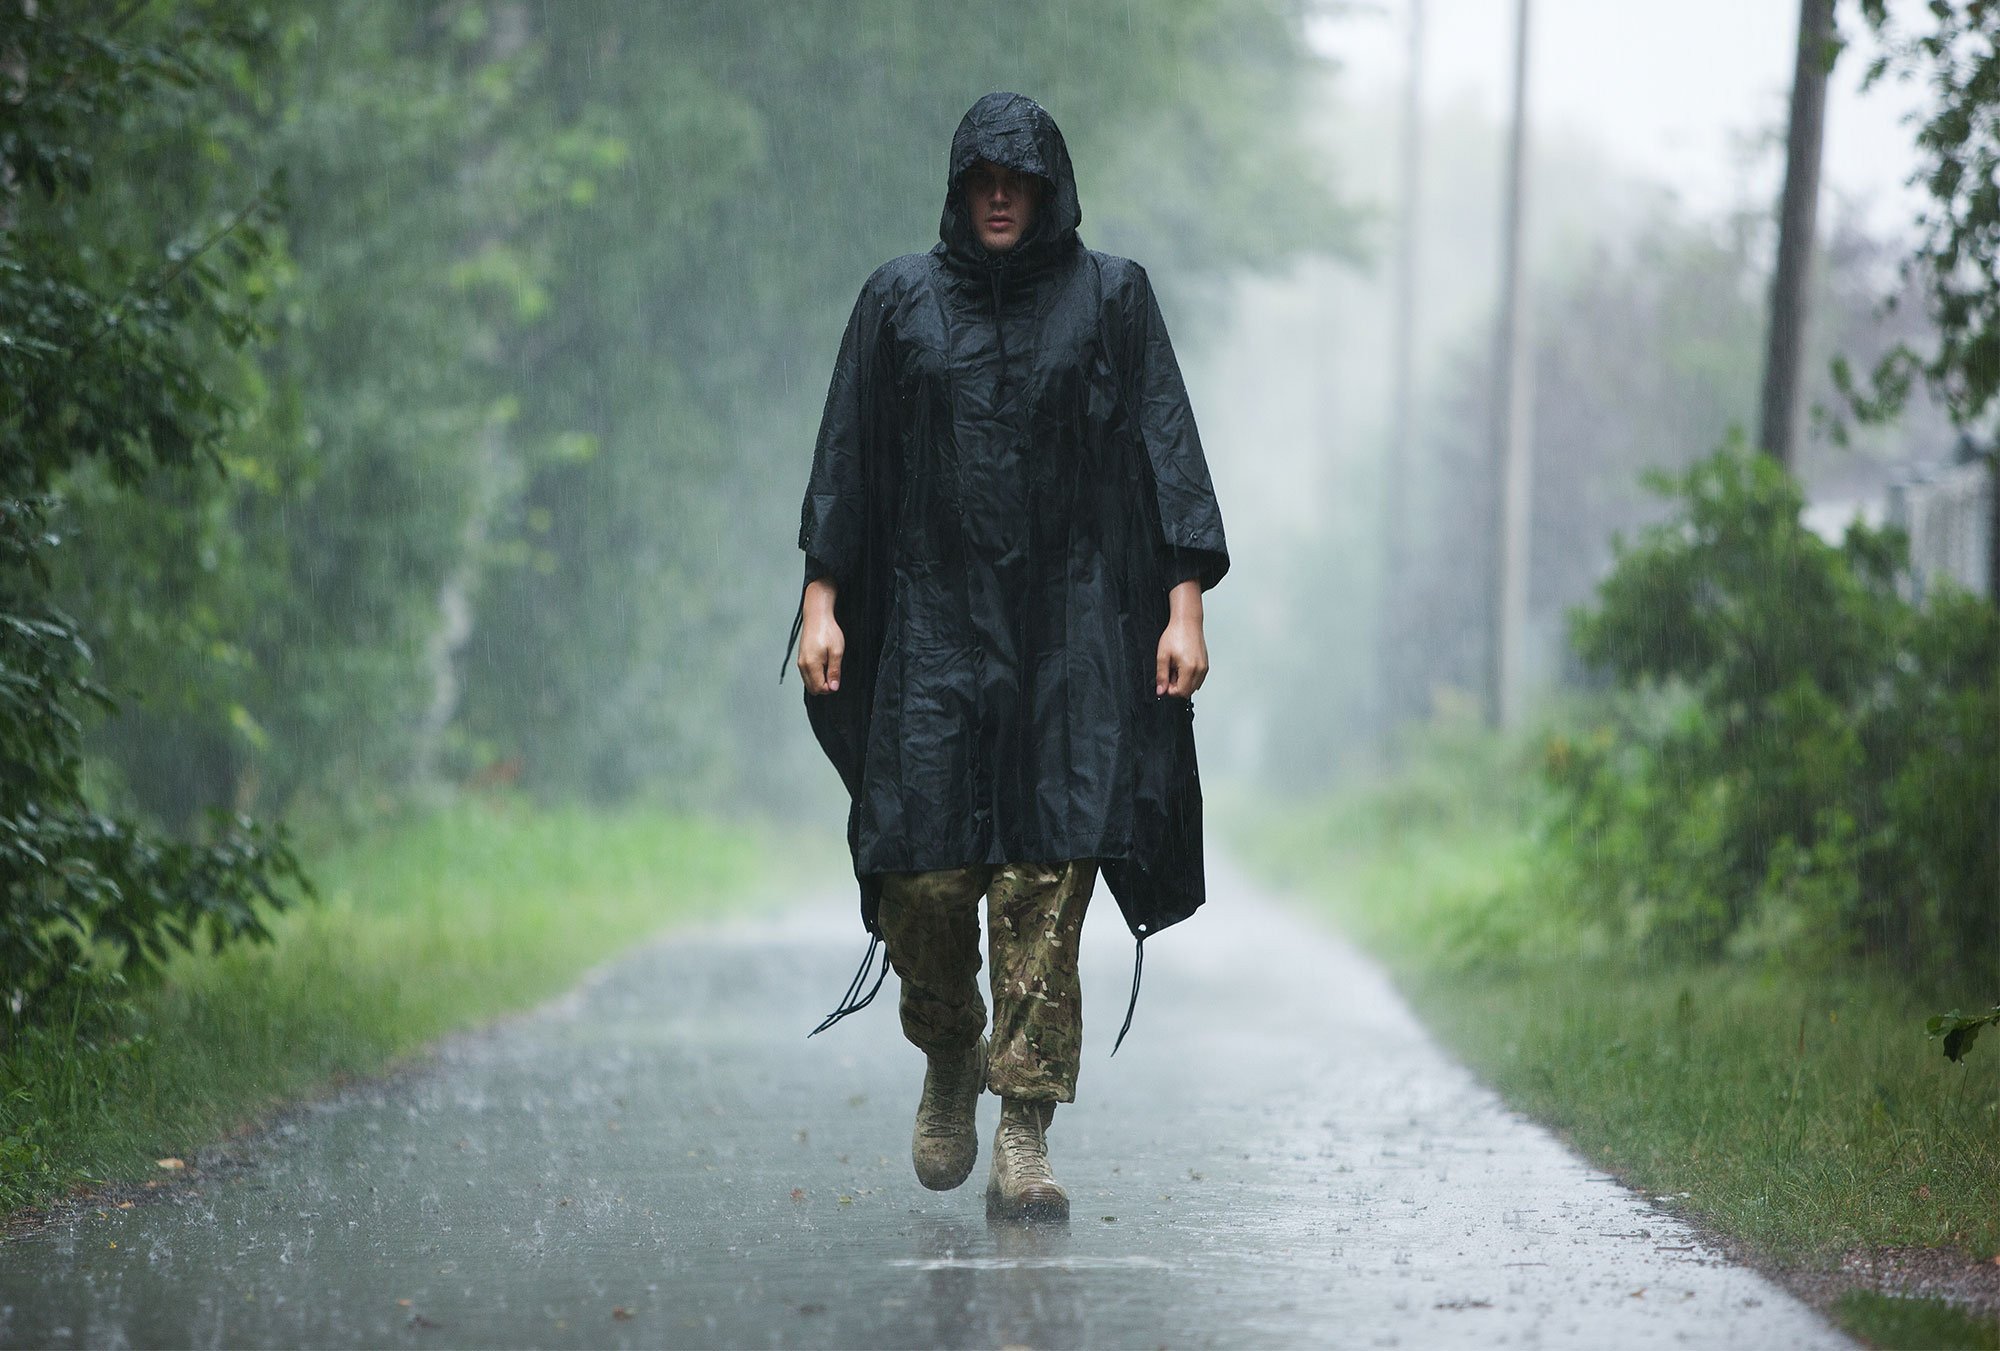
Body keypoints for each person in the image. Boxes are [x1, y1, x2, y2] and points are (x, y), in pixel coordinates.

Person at [790, 91, 1227, 1224]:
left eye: (1018, 178)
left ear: (1047, 189)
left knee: (1046, 876)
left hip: (1069, 631)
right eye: (981, 175)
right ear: (956, 186)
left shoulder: (1111, 299)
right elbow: (847, 452)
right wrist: (820, 600)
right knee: (921, 871)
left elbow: (1161, 449)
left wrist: (1181, 606)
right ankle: (947, 1047)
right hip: (931, 626)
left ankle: (1024, 1129)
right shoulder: (898, 303)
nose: (998, 193)